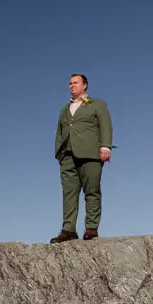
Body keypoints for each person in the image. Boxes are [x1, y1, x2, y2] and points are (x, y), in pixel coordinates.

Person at [50, 74, 114, 243]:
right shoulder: (65, 109)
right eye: (70, 83)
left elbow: (105, 124)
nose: (72, 85)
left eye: (75, 83)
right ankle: (68, 230)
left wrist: (105, 146)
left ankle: (91, 228)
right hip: (68, 157)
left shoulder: (97, 104)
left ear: (84, 85)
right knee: (68, 193)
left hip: (91, 154)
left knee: (92, 191)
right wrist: (59, 153)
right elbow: (60, 131)